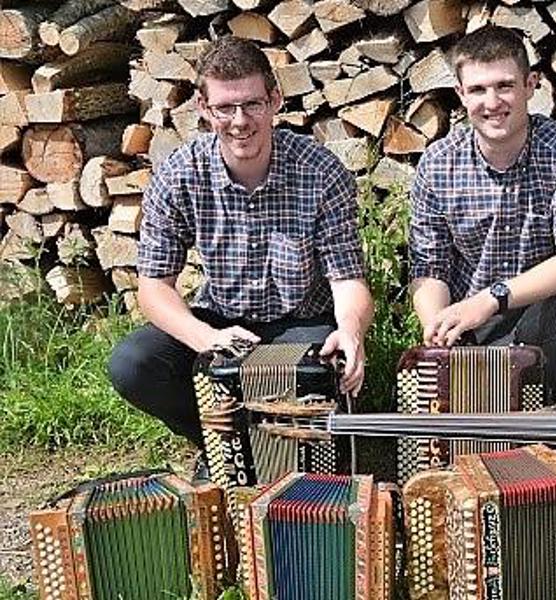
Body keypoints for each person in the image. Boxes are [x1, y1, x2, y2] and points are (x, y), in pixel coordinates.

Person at [108, 37, 374, 461]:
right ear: (202, 107)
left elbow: (348, 281)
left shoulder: (321, 172)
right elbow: (154, 287)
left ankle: (293, 453)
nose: (239, 121)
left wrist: (352, 331)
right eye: (224, 108)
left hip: (302, 320)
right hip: (221, 320)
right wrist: (206, 338)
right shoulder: (179, 175)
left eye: (252, 105)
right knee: (133, 363)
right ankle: (223, 447)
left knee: (315, 403)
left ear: (275, 100)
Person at [408, 25, 556, 402]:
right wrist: (437, 325)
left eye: (504, 86)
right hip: (469, 324)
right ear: (461, 95)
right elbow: (429, 267)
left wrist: (492, 299)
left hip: (540, 318)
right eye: (478, 89)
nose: (492, 102)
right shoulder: (437, 163)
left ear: (530, 85)